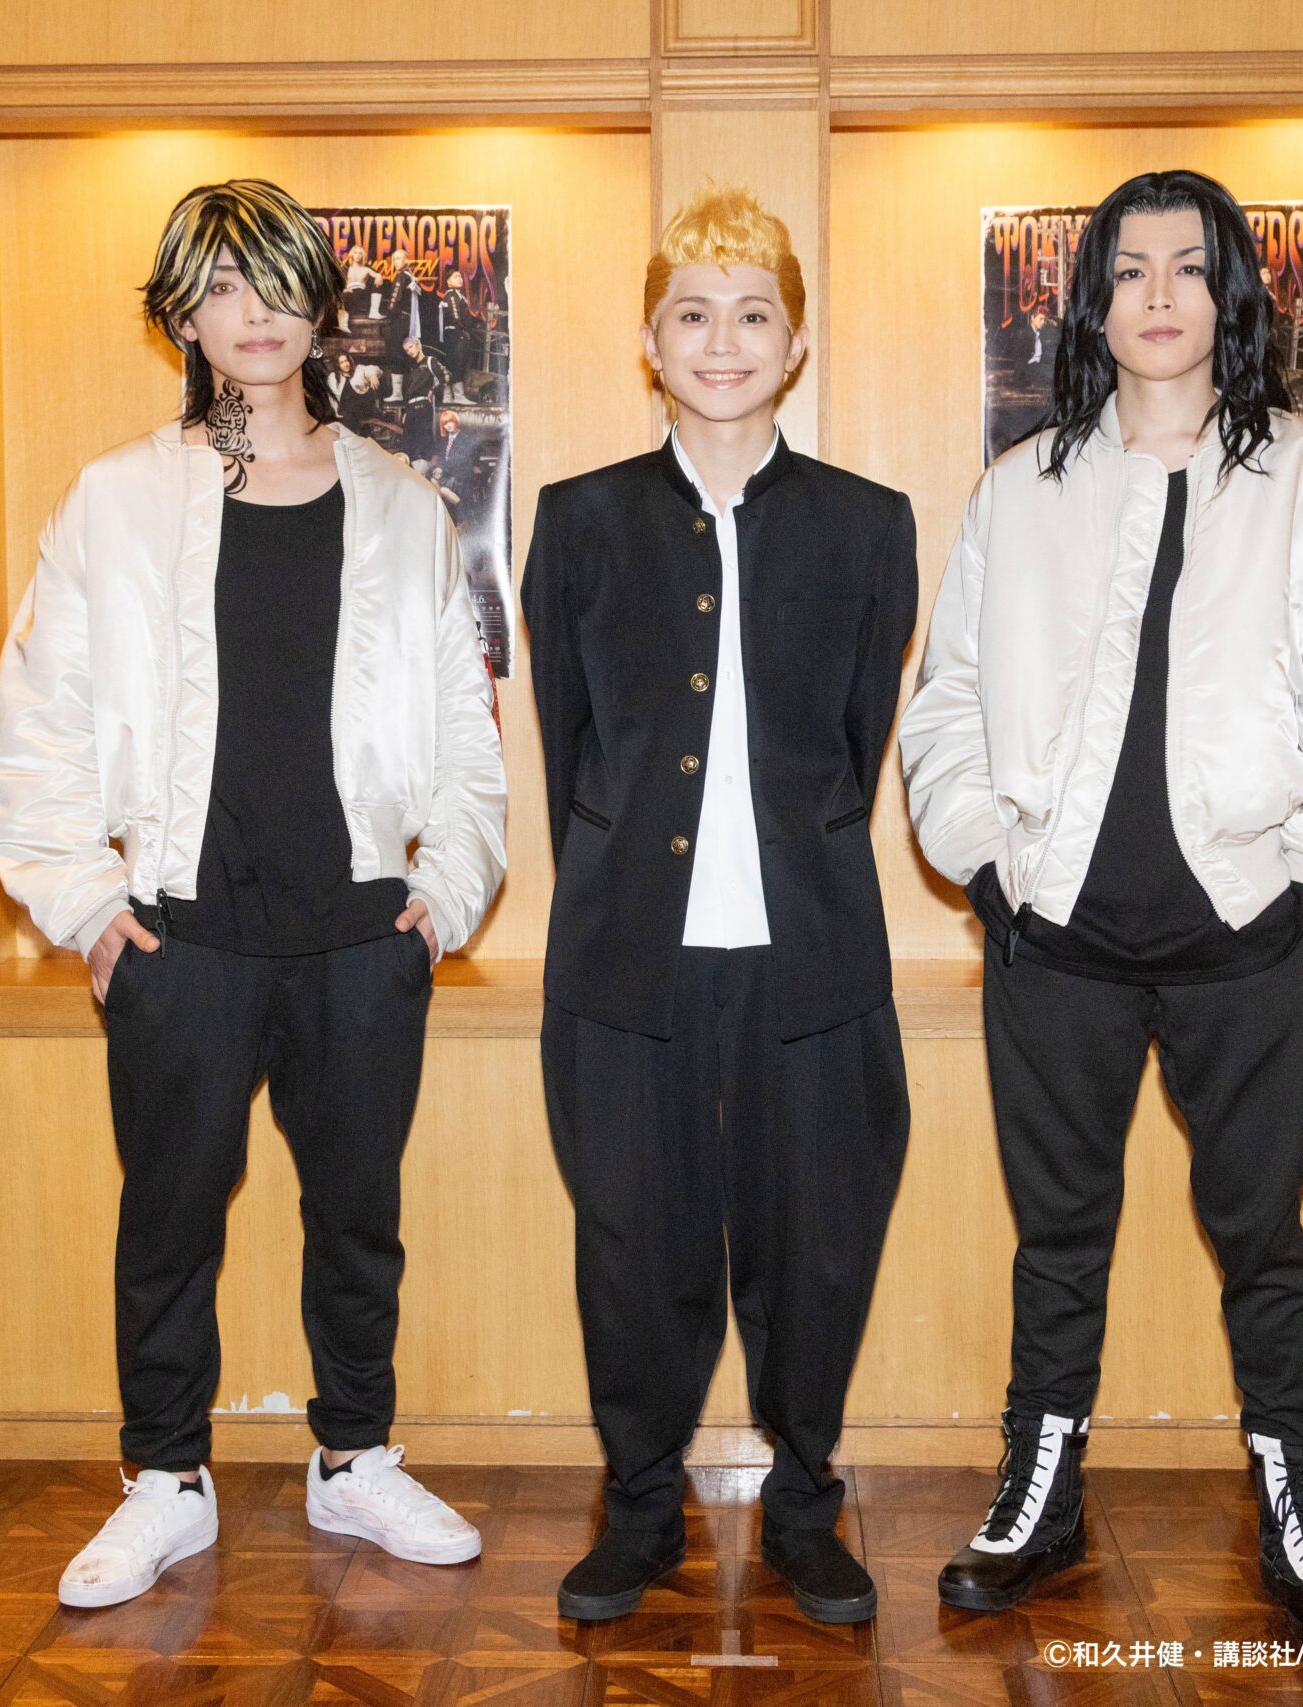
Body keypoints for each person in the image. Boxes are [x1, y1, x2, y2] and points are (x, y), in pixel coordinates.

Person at [899, 169, 1303, 1644]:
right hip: (1054, 940)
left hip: (1242, 941)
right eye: (1130, 269)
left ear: (1232, 296)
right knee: (1057, 1237)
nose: (1158, 294)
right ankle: (1039, 1494)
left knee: (1262, 1236)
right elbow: (946, 698)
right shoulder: (1021, 489)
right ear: (1091, 301)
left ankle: (1296, 1506)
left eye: (1189, 268)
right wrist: (990, 862)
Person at [0, 177, 507, 1611]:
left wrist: (443, 896)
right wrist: (88, 910)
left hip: (360, 933)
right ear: (183, 317)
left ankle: (354, 1455)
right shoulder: (119, 497)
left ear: (321, 307)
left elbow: (465, 731)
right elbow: (36, 720)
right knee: (168, 1220)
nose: (253, 313)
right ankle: (166, 1477)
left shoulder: (399, 502)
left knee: (358, 1217)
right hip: (181, 934)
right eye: (219, 286)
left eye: (275, 282)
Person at [526, 183, 918, 1627]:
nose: (722, 340)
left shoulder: (868, 525)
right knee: (635, 1245)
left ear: (795, 343)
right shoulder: (579, 520)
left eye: (754, 314)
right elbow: (572, 746)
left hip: (811, 955)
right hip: (628, 955)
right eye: (692, 313)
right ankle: (639, 1505)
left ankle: (806, 1506)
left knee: (816, 1244)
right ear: (650, 340)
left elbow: (859, 741)